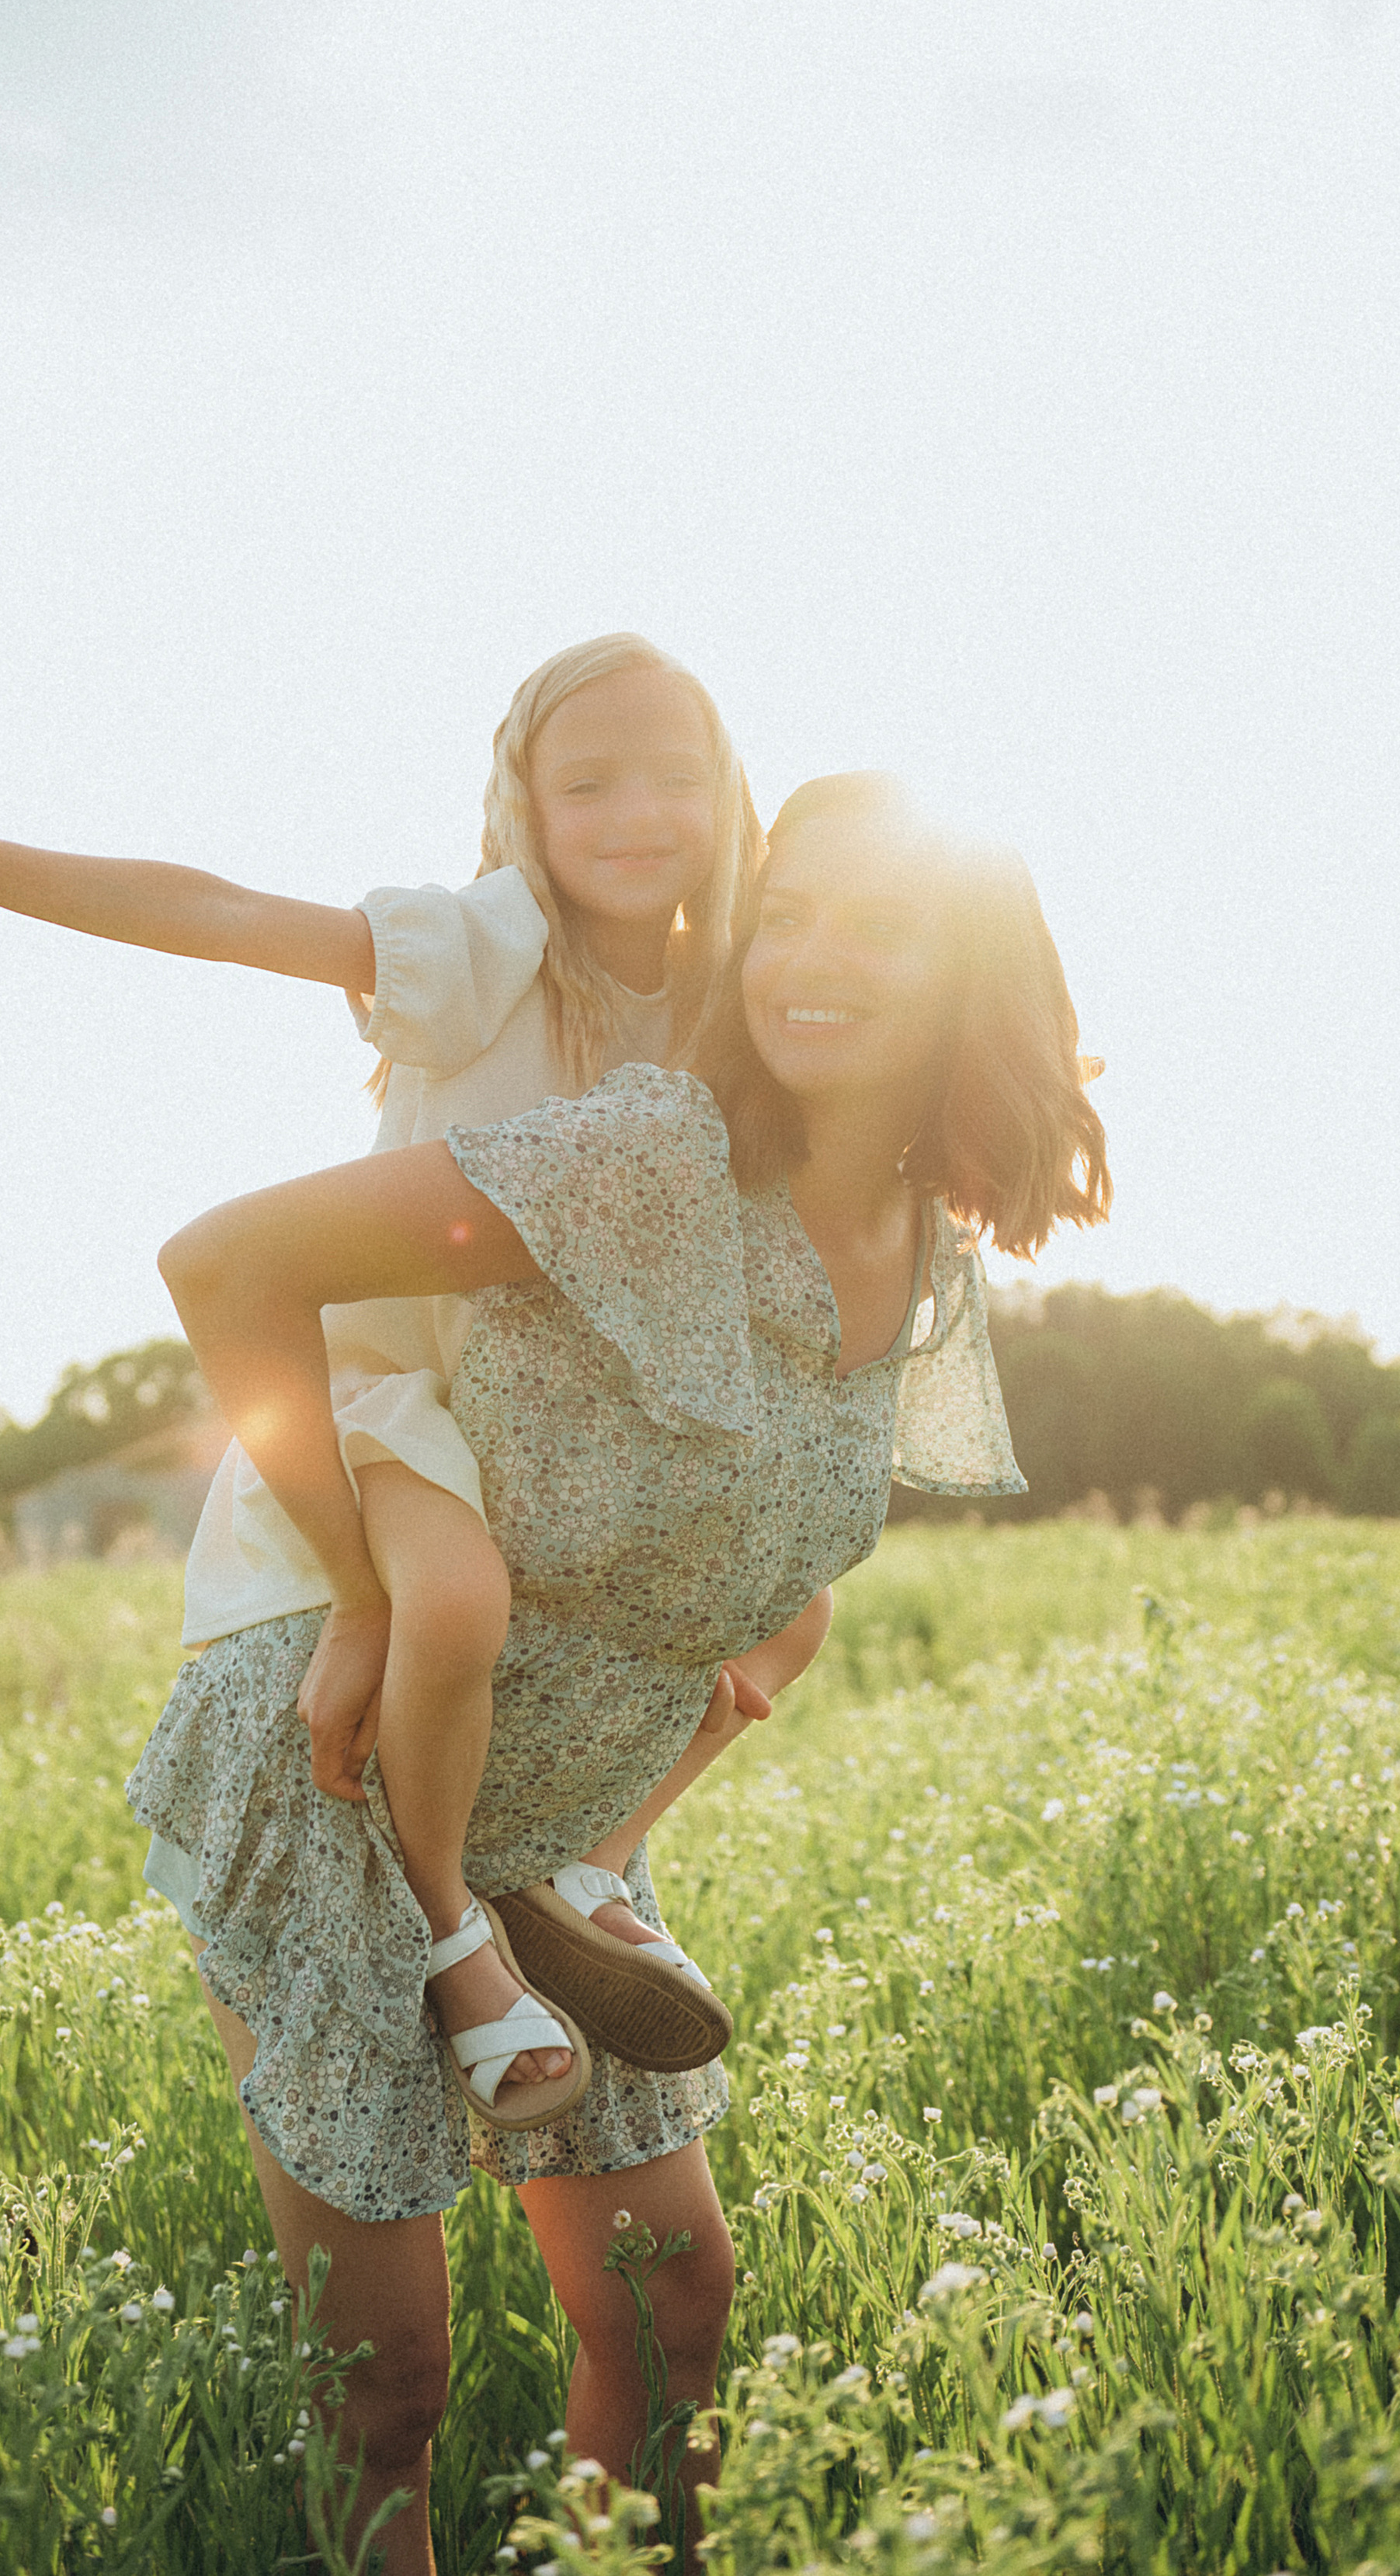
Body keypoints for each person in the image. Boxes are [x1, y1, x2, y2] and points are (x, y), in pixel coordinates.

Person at [139, 771, 1110, 2568]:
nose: (809, 959)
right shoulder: (647, 1157)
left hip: (562, 1830)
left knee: (672, 2320)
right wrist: (359, 1578)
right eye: (791, 912)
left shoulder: (919, 1262)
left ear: (971, 975)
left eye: (878, 926)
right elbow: (231, 1263)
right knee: (390, 2377)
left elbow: (770, 1562)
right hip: (351, 1777)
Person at [0, 636, 825, 2109]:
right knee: (451, 1603)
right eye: (590, 783)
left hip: (577, 1436)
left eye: (676, 777)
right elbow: (225, 911)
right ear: (522, 804)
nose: (640, 813)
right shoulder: (481, 947)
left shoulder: (731, 998)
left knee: (801, 1602)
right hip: (411, 1402)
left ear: (730, 791)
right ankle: (454, 1928)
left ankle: (586, 1871)